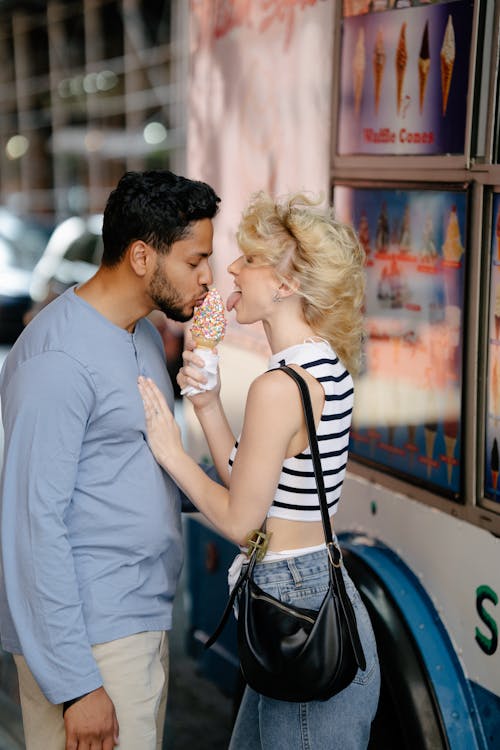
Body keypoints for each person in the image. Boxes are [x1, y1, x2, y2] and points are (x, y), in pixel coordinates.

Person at [138, 190, 381, 749]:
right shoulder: (320, 364)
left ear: (285, 286)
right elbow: (252, 481)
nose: (231, 269)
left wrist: (172, 452)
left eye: (248, 259)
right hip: (305, 598)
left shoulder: (280, 386)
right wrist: (208, 402)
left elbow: (243, 521)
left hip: (296, 610)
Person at [0, 169, 220, 750]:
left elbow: (133, 473)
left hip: (141, 622)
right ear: (143, 256)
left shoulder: (143, 335)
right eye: (195, 261)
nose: (208, 278)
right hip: (91, 643)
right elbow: (30, 526)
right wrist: (76, 686)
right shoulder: (57, 359)